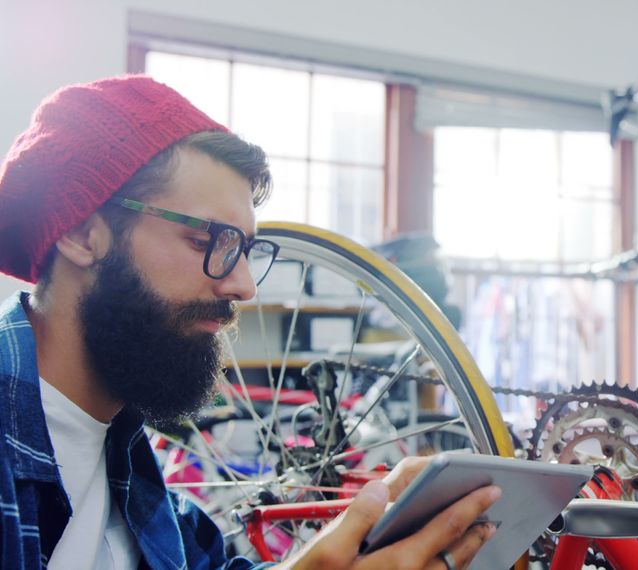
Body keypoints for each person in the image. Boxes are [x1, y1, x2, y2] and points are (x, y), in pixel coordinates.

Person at [0, 75, 498, 569]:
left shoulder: (126, 456)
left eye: (243, 249)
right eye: (205, 241)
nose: (243, 285)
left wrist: (365, 529)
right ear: (83, 235)